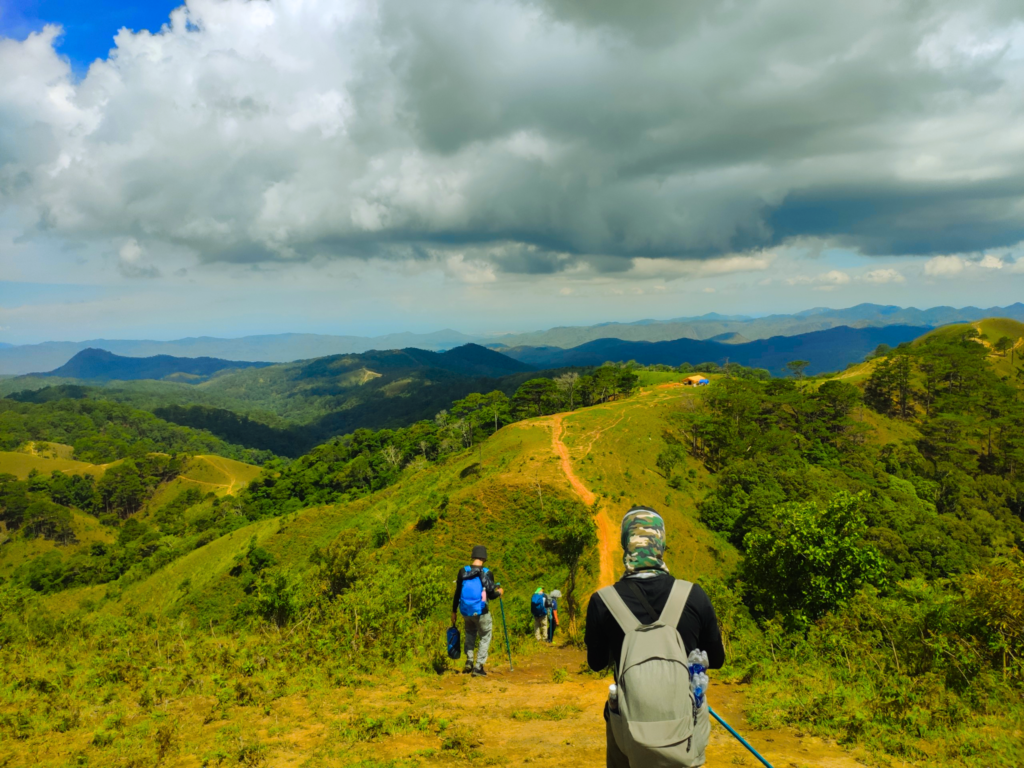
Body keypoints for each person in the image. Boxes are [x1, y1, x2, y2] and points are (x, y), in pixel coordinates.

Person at [585, 506, 725, 768]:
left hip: (628, 733)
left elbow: (596, 662)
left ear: (625, 544)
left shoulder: (603, 601)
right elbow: (716, 659)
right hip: (684, 734)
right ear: (661, 543)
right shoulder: (693, 595)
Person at [451, 544, 504, 677]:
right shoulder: (487, 572)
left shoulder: (463, 571)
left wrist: (454, 611)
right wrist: (499, 592)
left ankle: (469, 661)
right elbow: (491, 595)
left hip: (465, 611)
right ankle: (478, 666)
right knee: (485, 636)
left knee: (470, 633)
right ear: (484, 558)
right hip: (481, 611)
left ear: (473, 556)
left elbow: (457, 592)